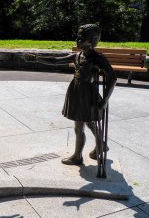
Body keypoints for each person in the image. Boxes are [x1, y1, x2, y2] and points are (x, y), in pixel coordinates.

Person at [25, 24, 117, 165]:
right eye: (77, 37)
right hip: (76, 92)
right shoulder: (77, 55)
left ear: (92, 40)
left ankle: (80, 155)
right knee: (84, 124)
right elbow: (56, 60)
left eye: (82, 37)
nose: (77, 40)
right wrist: (37, 58)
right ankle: (95, 148)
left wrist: (105, 100)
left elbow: (112, 78)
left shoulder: (98, 58)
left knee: (86, 124)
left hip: (88, 94)